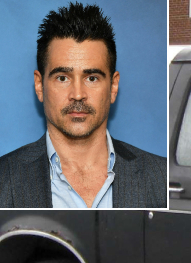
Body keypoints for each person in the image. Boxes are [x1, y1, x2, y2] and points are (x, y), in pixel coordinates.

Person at [0, 2, 166, 208]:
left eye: (92, 78)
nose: (77, 95)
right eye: (62, 78)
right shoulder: (4, 181)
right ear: (39, 86)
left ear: (113, 86)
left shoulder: (162, 179)